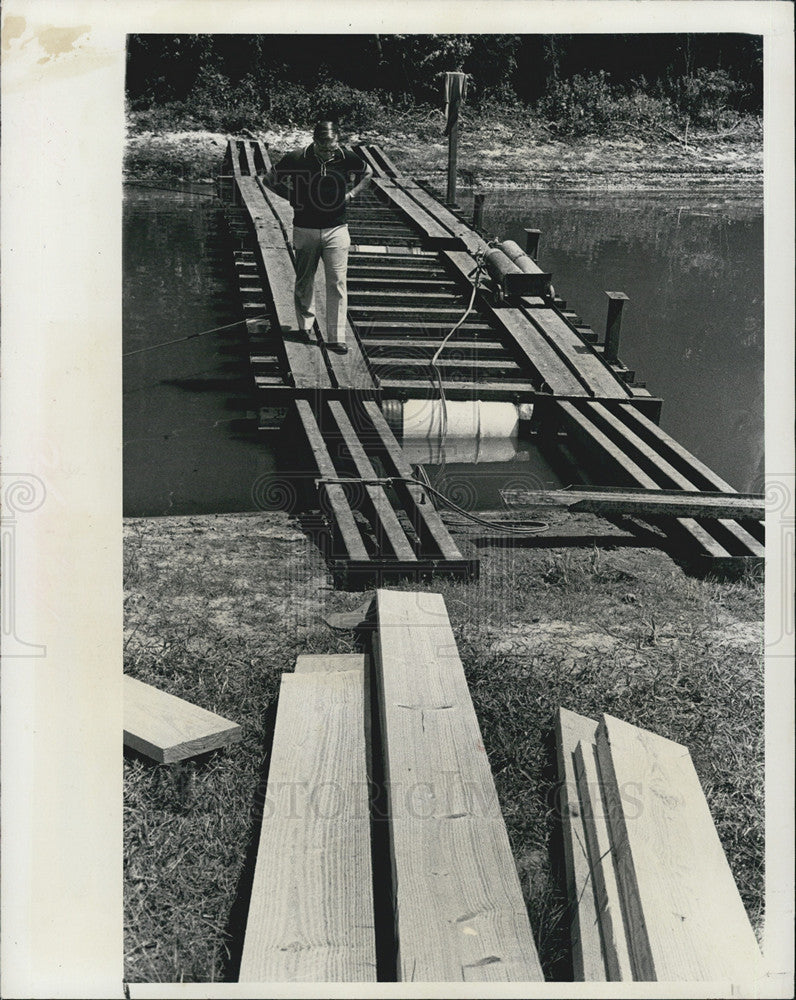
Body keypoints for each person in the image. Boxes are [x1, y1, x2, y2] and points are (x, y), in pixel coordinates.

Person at [265, 120, 372, 354]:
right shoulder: (296, 158)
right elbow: (269, 180)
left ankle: (336, 337)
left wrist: (351, 194)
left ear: (337, 141)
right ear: (314, 141)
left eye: (332, 146)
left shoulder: (346, 157)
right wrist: (291, 196)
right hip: (305, 228)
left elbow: (368, 173)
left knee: (337, 282)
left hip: (337, 228)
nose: (328, 151)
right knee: (305, 279)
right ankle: (304, 326)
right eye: (324, 146)